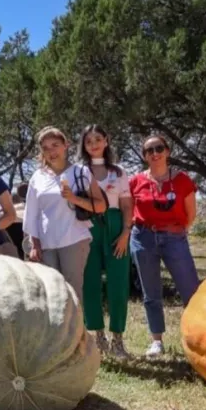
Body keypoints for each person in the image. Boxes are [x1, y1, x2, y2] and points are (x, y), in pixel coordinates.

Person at [129, 134, 201, 358]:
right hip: (143, 238)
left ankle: (199, 338)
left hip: (174, 238)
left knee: (190, 290)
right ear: (144, 157)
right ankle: (156, 341)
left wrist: (175, 231)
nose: (154, 153)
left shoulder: (182, 180)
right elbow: (130, 211)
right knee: (151, 292)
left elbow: (191, 215)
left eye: (158, 148)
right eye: (149, 150)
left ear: (167, 151)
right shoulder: (136, 181)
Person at [22, 126, 107, 305]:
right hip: (46, 244)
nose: (51, 151)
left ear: (65, 145)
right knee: (50, 294)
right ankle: (55, 334)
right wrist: (34, 245)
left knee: (72, 294)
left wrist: (73, 198)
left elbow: (100, 206)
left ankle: (75, 333)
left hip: (74, 239)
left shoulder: (81, 172)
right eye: (45, 148)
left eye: (55, 145)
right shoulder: (37, 177)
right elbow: (31, 214)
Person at [78, 125, 133, 359]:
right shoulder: (79, 171)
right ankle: (98, 338)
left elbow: (127, 204)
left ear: (106, 141)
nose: (94, 145)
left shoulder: (119, 172)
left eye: (98, 139)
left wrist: (125, 232)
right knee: (89, 283)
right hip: (87, 228)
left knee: (118, 284)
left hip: (115, 226)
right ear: (84, 145)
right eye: (89, 141)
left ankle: (117, 340)